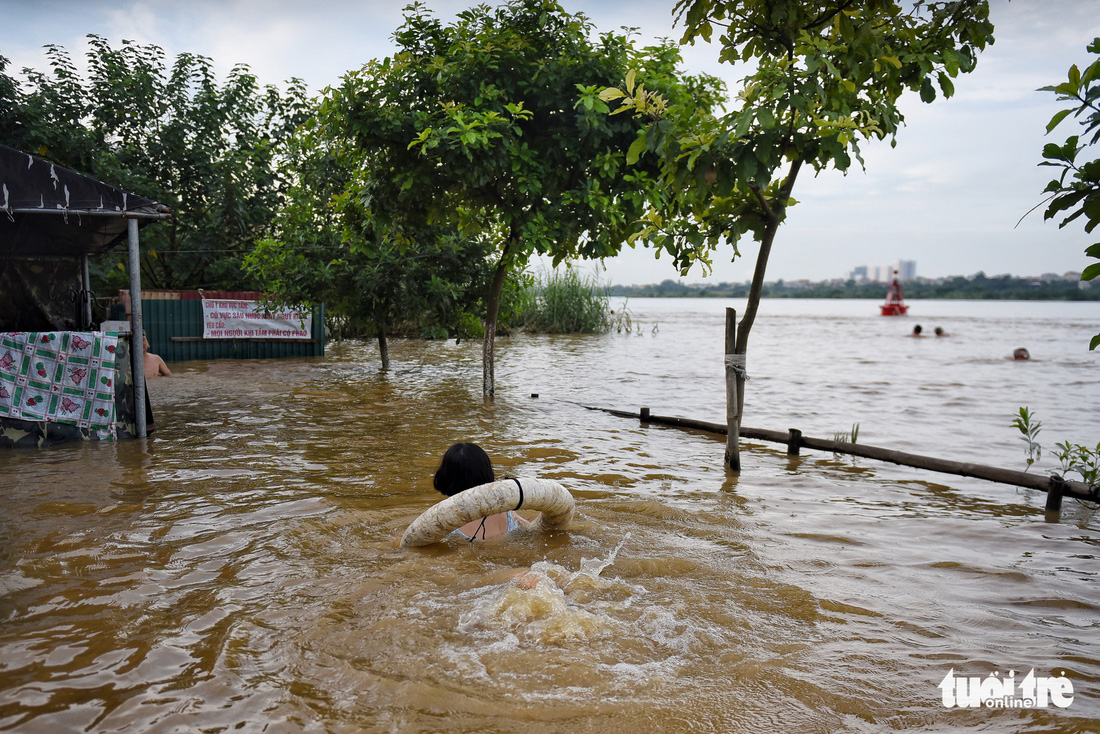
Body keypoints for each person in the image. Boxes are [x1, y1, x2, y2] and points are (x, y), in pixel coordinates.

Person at [434, 442, 530, 541]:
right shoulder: (508, 513)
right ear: (487, 472)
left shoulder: (442, 522)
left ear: (445, 477)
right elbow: (533, 529)